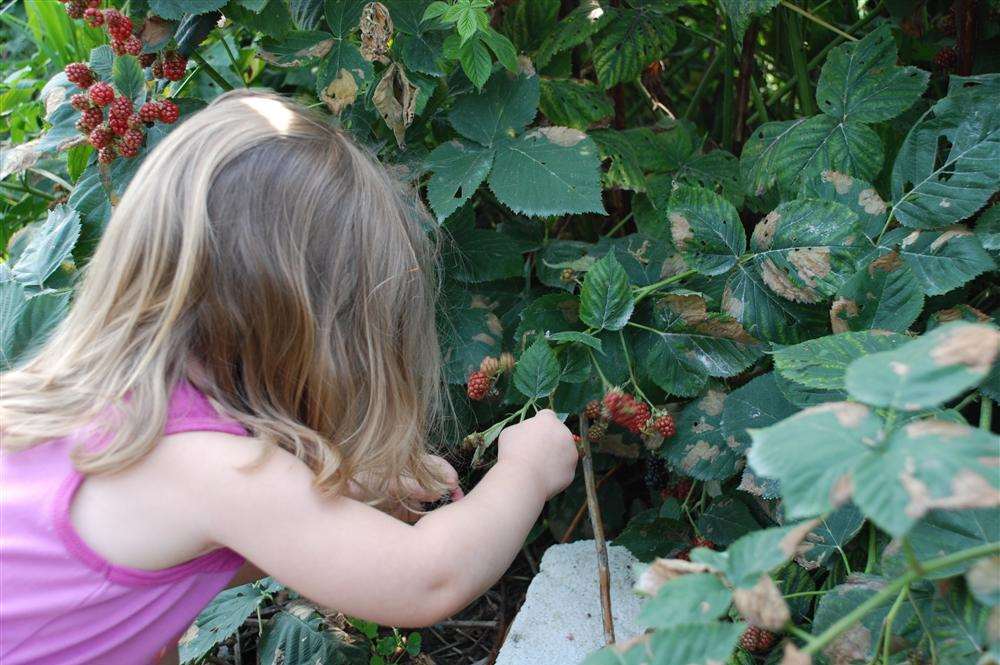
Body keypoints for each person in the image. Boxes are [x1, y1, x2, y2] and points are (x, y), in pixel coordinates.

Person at [0, 90, 578, 664]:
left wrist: (350, 489)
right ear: (316, 340)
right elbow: (429, 577)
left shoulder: (101, 410)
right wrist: (525, 473)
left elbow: (163, 579)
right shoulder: (209, 470)